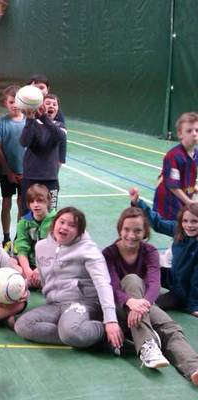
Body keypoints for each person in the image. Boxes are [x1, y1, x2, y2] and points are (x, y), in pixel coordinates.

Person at [103, 207, 198, 383]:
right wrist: (131, 302)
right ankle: (147, 344)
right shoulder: (109, 254)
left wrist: (142, 305)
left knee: (170, 329)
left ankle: (194, 368)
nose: (131, 235)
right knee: (132, 279)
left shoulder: (150, 251)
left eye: (137, 230)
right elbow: (112, 288)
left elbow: (154, 284)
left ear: (145, 232)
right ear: (119, 230)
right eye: (127, 230)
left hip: (142, 308)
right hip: (118, 306)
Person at [14, 207, 123, 351]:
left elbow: (103, 284)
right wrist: (21, 287)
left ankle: (109, 333)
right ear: (54, 223)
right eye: (62, 222)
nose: (64, 227)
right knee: (23, 325)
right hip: (54, 305)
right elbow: (43, 276)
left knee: (70, 331)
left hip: (82, 304)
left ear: (80, 231)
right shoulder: (41, 247)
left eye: (72, 225)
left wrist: (110, 320)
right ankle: (79, 336)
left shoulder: (89, 251)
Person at [130, 188, 198, 316]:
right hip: (173, 278)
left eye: (194, 221)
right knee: (142, 268)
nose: (189, 225)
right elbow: (157, 222)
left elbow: (196, 279)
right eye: (185, 221)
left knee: (152, 304)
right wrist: (138, 202)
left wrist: (194, 305)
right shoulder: (179, 230)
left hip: (184, 293)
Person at [19, 99, 67, 215]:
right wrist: (30, 119)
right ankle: (27, 233)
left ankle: (47, 234)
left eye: (54, 104)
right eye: (48, 103)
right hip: (30, 176)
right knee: (27, 214)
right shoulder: (32, 124)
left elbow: (60, 137)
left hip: (50, 178)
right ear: (39, 106)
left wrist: (44, 118)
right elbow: (24, 142)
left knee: (50, 213)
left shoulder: (60, 126)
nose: (51, 106)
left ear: (57, 109)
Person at [0, 85, 26, 248]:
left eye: (17, 102)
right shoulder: (1, 123)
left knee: (22, 204)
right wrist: (8, 172)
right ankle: (6, 237)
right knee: (6, 203)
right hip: (7, 173)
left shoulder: (29, 122)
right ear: (6, 103)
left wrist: (25, 172)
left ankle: (19, 237)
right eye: (11, 102)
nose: (14, 105)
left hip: (25, 173)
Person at [152, 112, 198, 220]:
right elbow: (172, 186)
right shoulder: (174, 156)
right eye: (189, 131)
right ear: (180, 134)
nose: (194, 134)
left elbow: (188, 179)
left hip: (184, 198)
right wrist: (189, 203)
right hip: (170, 203)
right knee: (178, 229)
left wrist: (193, 188)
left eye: (197, 130)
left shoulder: (196, 154)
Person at [14, 184, 57, 288]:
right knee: (10, 262)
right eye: (32, 201)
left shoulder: (57, 220)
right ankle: (32, 280)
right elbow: (22, 250)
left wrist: (41, 268)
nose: (35, 205)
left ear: (48, 201)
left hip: (51, 263)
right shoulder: (24, 222)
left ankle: (36, 282)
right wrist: (27, 271)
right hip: (31, 264)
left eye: (40, 201)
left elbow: (59, 249)